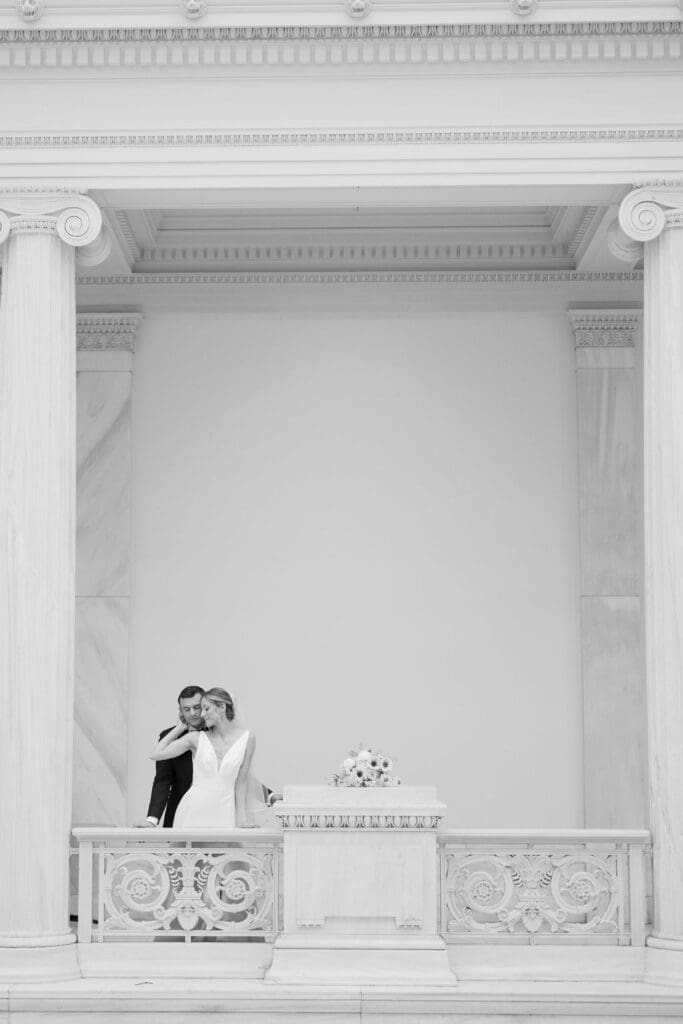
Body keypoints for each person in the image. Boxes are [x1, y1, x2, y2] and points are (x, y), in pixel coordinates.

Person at [151, 687, 265, 828]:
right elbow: (155, 755)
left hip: (225, 810)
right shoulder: (195, 738)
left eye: (205, 708)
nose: (201, 714)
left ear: (221, 707)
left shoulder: (248, 739)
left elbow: (241, 783)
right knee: (188, 849)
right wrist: (179, 728)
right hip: (193, 810)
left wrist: (242, 820)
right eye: (187, 709)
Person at [138, 685, 206, 828]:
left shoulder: (218, 734)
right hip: (178, 814)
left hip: (211, 813)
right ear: (180, 711)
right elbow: (162, 780)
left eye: (197, 707)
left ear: (205, 705)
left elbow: (232, 767)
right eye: (186, 709)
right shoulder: (168, 738)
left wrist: (264, 793)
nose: (192, 713)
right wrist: (152, 819)